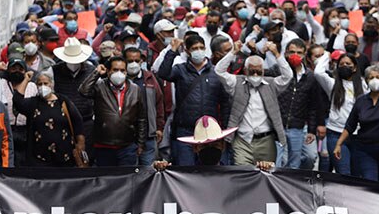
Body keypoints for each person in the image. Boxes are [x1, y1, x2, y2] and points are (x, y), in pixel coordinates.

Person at [156, 33, 230, 166]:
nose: (199, 51)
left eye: (202, 47)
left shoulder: (215, 72)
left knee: (210, 169)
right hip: (186, 129)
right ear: (187, 51)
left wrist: (224, 128)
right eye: (195, 48)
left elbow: (224, 102)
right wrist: (172, 51)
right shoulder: (180, 70)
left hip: (209, 131)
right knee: (186, 169)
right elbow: (163, 73)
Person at [333, 49, 379, 182]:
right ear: (366, 81)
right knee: (370, 180)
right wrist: (339, 144)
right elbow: (350, 125)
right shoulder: (361, 100)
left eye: (378, 77)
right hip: (366, 150)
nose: (375, 80)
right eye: (371, 78)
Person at [214, 41, 293, 165]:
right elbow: (219, 71)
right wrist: (233, 52)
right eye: (252, 71)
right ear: (245, 71)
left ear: (263, 71)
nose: (255, 75)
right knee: (243, 175)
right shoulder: (237, 83)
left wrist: (277, 54)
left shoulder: (271, 84)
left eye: (258, 71)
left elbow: (288, 76)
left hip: (266, 141)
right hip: (242, 141)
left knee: (266, 176)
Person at [79, 56, 148, 166]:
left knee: (126, 179)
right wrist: (96, 73)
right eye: (115, 70)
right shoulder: (100, 86)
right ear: (108, 71)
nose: (119, 73)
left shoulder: (135, 89)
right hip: (103, 146)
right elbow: (84, 91)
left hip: (127, 146)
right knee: (106, 180)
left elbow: (141, 118)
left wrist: (140, 144)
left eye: (122, 70)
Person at [12, 70, 87, 167]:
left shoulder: (63, 101)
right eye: (39, 84)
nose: (43, 86)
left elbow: (77, 121)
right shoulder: (33, 103)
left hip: (64, 159)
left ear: (51, 84)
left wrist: (81, 143)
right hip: (39, 160)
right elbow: (17, 100)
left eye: (45, 83)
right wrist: (26, 79)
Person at [276, 39, 326, 170]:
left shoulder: (310, 77)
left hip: (298, 126)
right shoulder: (278, 71)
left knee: (297, 163)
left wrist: (311, 130)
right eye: (292, 52)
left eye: (299, 53)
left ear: (304, 55)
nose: (295, 56)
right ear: (286, 53)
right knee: (278, 163)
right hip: (278, 125)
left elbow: (314, 106)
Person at [314, 51, 364, 176]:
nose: (345, 66)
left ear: (355, 67)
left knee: (357, 174)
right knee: (344, 173)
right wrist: (327, 54)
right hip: (335, 134)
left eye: (348, 64)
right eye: (341, 64)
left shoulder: (363, 85)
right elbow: (318, 72)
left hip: (358, 136)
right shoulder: (332, 84)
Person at [124, 46, 167, 165]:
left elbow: (159, 102)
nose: (134, 64)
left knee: (147, 171)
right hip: (126, 137)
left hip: (148, 133)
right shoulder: (119, 80)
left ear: (141, 61)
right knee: (129, 172)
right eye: (130, 61)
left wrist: (159, 127)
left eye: (137, 61)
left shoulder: (149, 78)